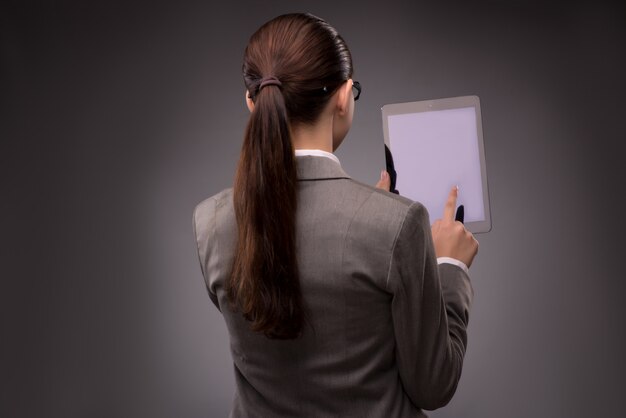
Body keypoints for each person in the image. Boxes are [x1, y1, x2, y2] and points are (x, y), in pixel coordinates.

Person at [192, 12, 478, 417]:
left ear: (251, 103)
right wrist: (449, 267)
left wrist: (378, 220)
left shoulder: (209, 222)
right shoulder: (399, 224)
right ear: (343, 96)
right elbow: (433, 385)